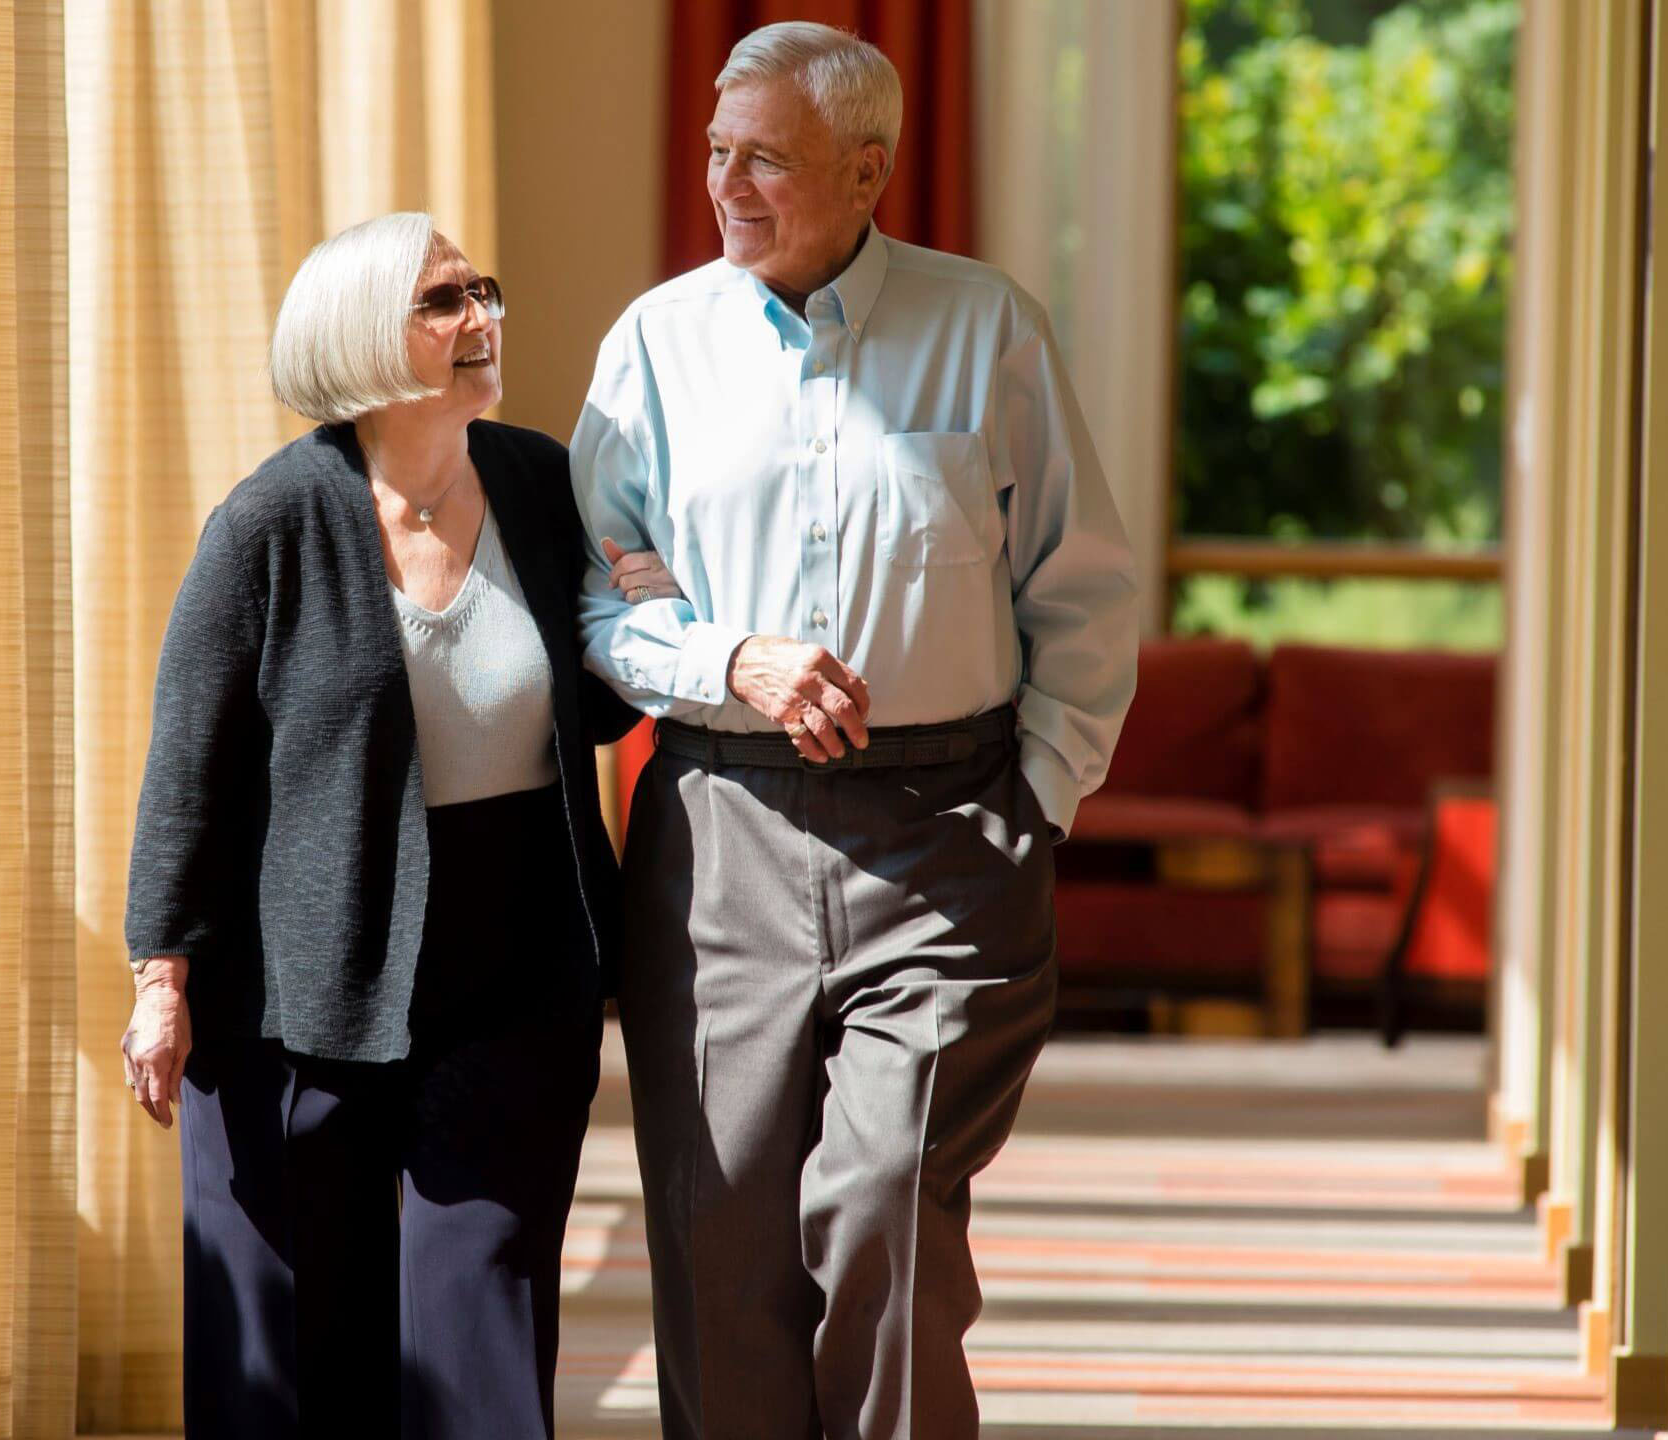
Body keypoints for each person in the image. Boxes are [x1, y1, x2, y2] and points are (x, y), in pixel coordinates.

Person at [572, 22, 1140, 1440]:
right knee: (720, 1243)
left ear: (870, 168)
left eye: (767, 156)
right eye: (717, 152)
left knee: (883, 1195)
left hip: (951, 832)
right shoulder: (655, 345)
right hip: (721, 830)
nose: (728, 184)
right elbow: (599, 596)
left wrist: (1042, 797)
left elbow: (1082, 586)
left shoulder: (988, 326)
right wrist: (732, 658)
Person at [120, 210, 649, 1440]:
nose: (482, 319)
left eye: (483, 291)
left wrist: (645, 622)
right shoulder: (269, 524)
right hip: (301, 974)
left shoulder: (536, 479)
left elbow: (583, 707)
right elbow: (188, 770)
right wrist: (162, 976)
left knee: (486, 1310)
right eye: (442, 301)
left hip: (513, 953)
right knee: (305, 1349)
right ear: (363, 340)